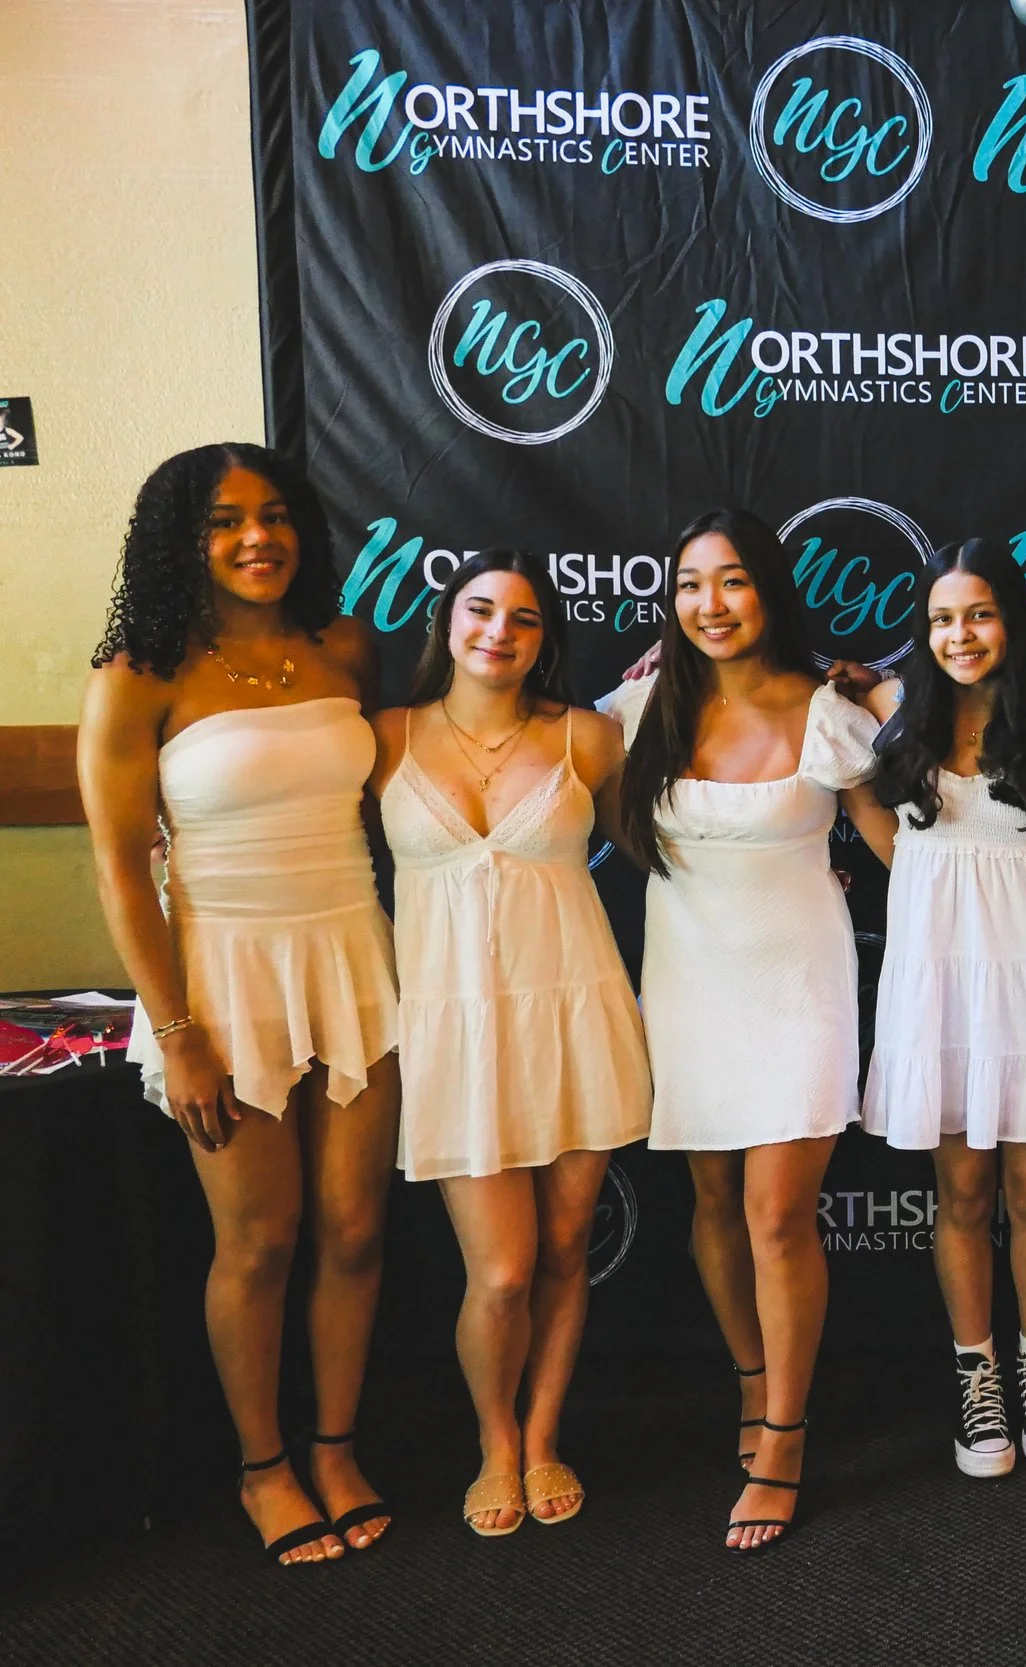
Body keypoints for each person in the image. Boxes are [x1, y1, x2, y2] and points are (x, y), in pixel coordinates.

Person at [79, 444, 400, 1565]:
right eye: (224, 521)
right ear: (183, 540)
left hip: (353, 956)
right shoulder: (139, 673)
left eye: (274, 515)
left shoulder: (346, 645)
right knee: (260, 1239)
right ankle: (264, 1465)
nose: (257, 538)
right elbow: (122, 867)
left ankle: (336, 1446)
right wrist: (177, 1033)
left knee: (356, 1228)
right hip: (219, 976)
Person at [607, 512, 884, 1553]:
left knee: (776, 1213)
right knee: (716, 1201)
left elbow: (904, 849)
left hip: (801, 984)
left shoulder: (827, 711)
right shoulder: (639, 708)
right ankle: (755, 1377)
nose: (710, 603)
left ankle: (784, 1438)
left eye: (731, 581)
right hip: (689, 983)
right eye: (690, 584)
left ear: (768, 589)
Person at [372, 550, 650, 1538]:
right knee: (499, 1271)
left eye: (524, 618)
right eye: (481, 609)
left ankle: (540, 1436)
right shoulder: (383, 736)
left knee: (566, 1249)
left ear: (546, 640)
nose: (499, 630)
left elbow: (663, 847)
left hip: (576, 1015)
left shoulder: (591, 736)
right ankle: (493, 1440)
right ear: (448, 622)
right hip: (453, 1030)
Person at [855, 538, 1026, 1483]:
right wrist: (920, 877)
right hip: (939, 972)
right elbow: (867, 809)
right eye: (943, 618)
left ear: (1012, 623)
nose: (961, 634)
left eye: (980, 614)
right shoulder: (889, 711)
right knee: (962, 1193)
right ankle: (977, 1372)